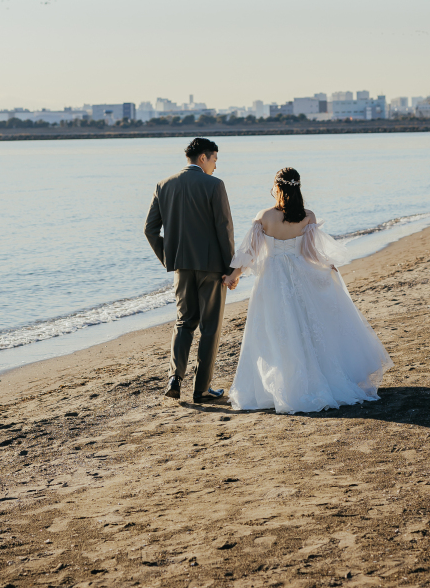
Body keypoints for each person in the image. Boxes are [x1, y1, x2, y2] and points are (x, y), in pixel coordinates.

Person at [222, 167, 392, 413]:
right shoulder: (307, 216)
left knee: (276, 331)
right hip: (300, 275)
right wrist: (327, 268)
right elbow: (311, 253)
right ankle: (317, 377)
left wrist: (232, 276)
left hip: (272, 280)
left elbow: (249, 254)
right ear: (297, 188)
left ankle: (283, 385)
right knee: (307, 327)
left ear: (278, 188)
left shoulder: (265, 216)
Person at [144, 137, 235, 403]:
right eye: (215, 159)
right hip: (212, 268)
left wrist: (169, 258)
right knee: (210, 328)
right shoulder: (215, 186)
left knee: (184, 322)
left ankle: (175, 378)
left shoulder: (164, 185)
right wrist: (230, 270)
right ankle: (202, 389)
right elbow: (224, 229)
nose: (216, 166)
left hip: (181, 268)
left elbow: (149, 230)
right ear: (203, 158)